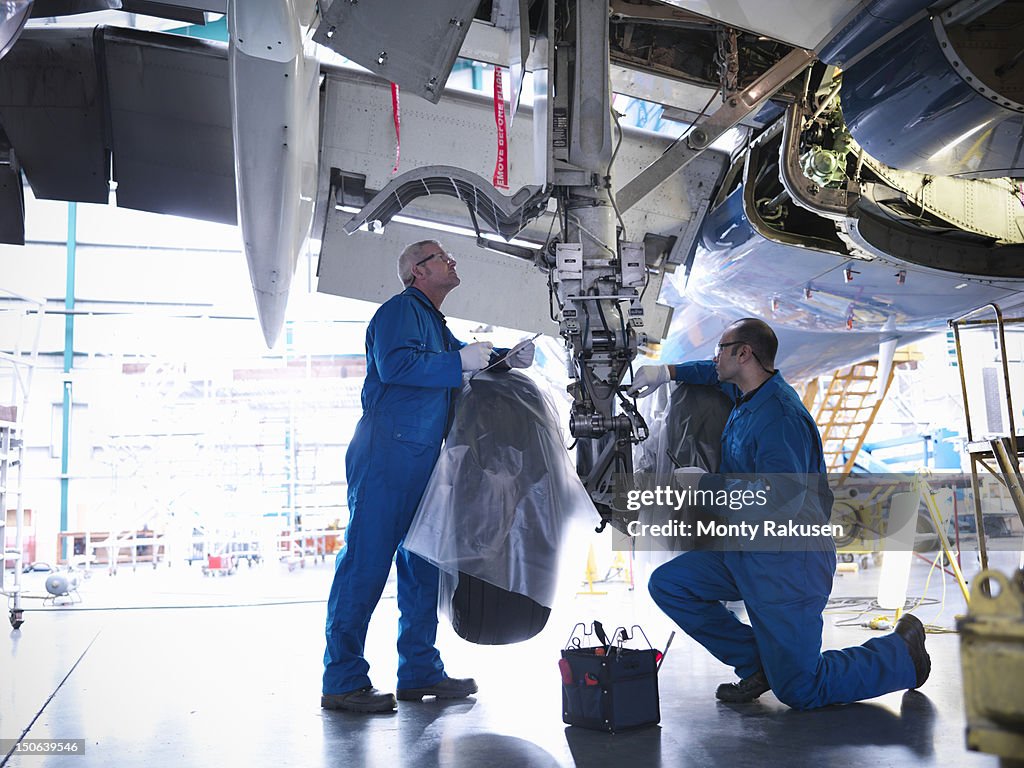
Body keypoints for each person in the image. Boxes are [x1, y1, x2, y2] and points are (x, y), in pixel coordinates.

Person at [627, 318, 930, 710]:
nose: (714, 357)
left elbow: (780, 498)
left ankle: (901, 654)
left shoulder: (780, 419)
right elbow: (713, 372)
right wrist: (667, 372)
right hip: (748, 550)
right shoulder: (750, 392)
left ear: (744, 354)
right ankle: (758, 664)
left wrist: (706, 484)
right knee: (670, 585)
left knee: (801, 690)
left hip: (788, 562)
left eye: (721, 349)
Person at [322, 240, 535, 714]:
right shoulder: (399, 312)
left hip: (420, 460)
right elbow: (394, 366)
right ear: (419, 271)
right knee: (366, 565)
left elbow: (462, 357)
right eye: (442, 257)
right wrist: (460, 361)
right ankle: (342, 679)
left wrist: (506, 356)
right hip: (387, 458)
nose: (452, 262)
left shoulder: (433, 322)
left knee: (422, 566)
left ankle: (418, 671)